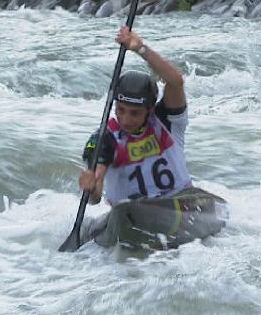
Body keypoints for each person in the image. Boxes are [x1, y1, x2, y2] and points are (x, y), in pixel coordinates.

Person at [78, 26, 192, 206]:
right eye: (121, 110)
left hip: (179, 203)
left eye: (135, 113)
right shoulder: (104, 139)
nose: (125, 120)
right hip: (130, 214)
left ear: (149, 109)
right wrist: (91, 187)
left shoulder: (166, 122)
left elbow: (176, 82)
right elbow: (96, 196)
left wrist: (140, 49)